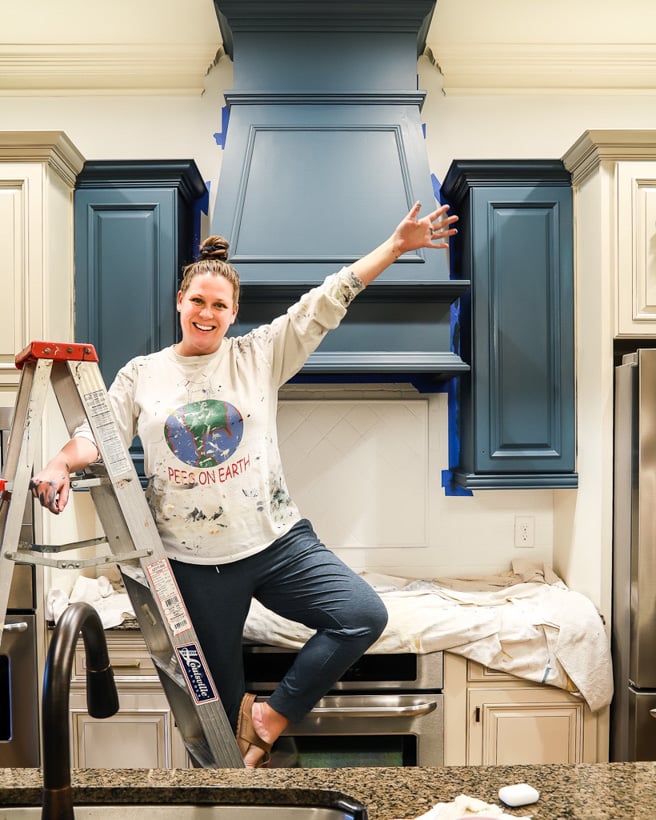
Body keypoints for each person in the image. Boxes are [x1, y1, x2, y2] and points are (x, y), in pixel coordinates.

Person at [30, 201, 458, 768]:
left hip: (279, 543)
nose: (207, 313)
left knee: (362, 615)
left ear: (234, 313)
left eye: (219, 305)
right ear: (180, 303)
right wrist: (61, 462)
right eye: (197, 302)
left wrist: (397, 246)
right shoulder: (143, 373)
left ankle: (273, 717)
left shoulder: (259, 356)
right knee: (219, 735)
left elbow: (328, 298)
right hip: (192, 566)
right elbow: (98, 437)